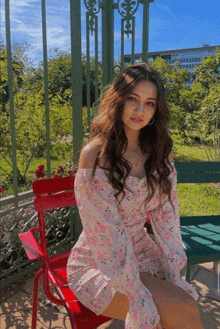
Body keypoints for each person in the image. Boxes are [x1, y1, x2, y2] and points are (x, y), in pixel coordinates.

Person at [67, 63, 204, 329]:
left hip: (142, 251)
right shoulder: (96, 155)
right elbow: (105, 234)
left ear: (156, 110)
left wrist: (173, 268)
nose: (140, 110)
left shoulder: (159, 152)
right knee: (175, 310)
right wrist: (135, 289)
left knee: (179, 307)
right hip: (99, 260)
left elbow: (167, 216)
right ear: (117, 100)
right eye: (133, 99)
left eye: (149, 103)